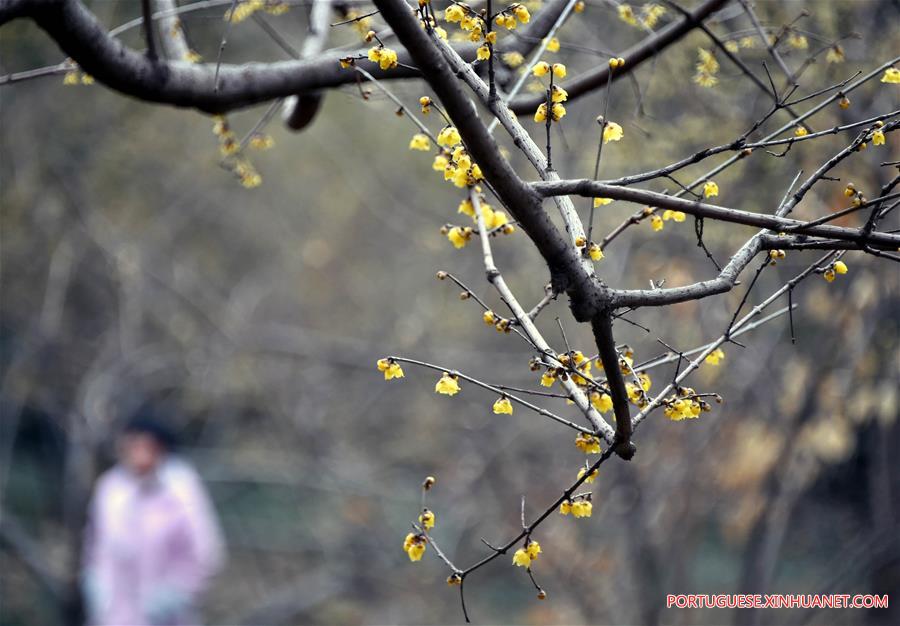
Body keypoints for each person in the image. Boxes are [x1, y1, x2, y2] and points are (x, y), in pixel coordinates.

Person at [82, 413, 225, 625]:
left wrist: (174, 594)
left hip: (164, 615)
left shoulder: (182, 491)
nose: (136, 453)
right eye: (131, 445)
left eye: (144, 446)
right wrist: (95, 583)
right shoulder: (112, 488)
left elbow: (205, 554)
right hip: (114, 615)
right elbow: (96, 544)